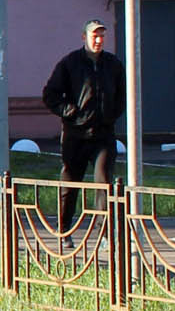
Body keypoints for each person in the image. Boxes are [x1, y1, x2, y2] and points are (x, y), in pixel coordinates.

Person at [41, 19, 126, 224]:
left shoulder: (113, 64)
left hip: (103, 135)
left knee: (104, 183)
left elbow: (122, 95)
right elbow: (50, 94)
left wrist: (110, 115)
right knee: (70, 183)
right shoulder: (70, 63)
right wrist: (70, 112)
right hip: (75, 135)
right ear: (84, 37)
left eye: (102, 36)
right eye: (94, 36)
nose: (99, 40)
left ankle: (103, 231)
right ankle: (64, 229)